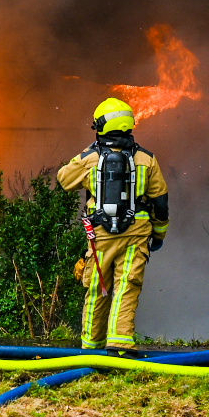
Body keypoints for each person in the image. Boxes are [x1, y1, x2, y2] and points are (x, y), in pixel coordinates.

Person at [56, 97, 170, 353]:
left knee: (97, 288)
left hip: (100, 236)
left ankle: (90, 348)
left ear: (102, 126)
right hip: (136, 233)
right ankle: (120, 344)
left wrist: (87, 154)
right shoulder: (146, 159)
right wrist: (159, 233)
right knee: (126, 287)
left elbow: (63, 179)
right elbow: (160, 201)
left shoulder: (90, 158)